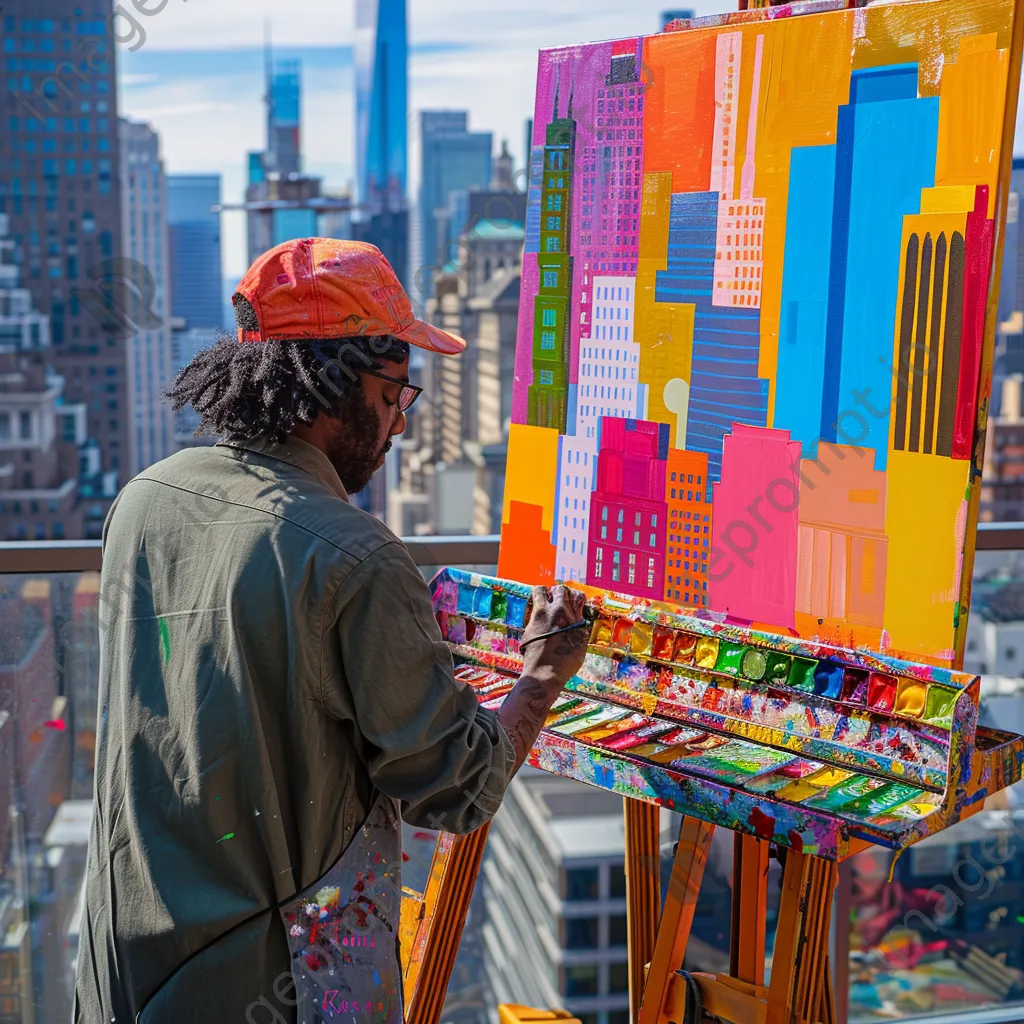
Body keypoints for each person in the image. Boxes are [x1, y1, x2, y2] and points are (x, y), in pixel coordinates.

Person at [73, 238, 587, 1024]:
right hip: (274, 977)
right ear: (331, 385)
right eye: (391, 396)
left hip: (124, 955)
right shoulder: (355, 554)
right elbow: (456, 787)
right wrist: (544, 671)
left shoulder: (146, 500)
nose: (399, 427)